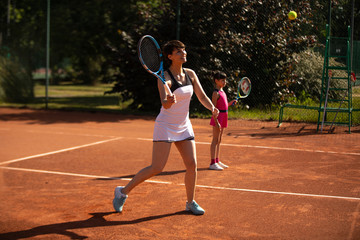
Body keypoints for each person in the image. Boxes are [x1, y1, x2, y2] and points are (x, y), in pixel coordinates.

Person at [112, 40, 219, 215]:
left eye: (184, 50)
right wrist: (168, 101)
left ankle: (190, 202)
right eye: (178, 51)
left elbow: (201, 96)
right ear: (169, 56)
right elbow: (164, 103)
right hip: (166, 125)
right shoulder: (164, 77)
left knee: (192, 164)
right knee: (157, 167)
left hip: (184, 125)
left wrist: (212, 108)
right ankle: (122, 192)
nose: (183, 53)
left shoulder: (191, 74)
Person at [209, 71, 237, 170]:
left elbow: (224, 106)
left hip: (224, 116)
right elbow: (214, 108)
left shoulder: (223, 91)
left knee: (219, 140)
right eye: (222, 80)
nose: (224, 82)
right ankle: (212, 163)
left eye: (225, 80)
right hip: (218, 117)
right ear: (216, 81)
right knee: (215, 140)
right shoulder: (215, 93)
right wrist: (216, 122)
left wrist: (230, 103)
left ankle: (217, 160)